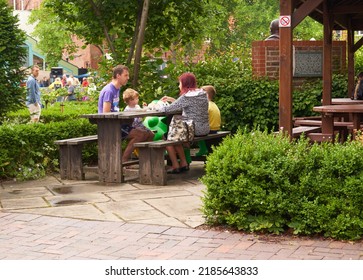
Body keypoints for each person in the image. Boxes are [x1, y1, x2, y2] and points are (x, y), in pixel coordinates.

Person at [98, 65, 153, 163]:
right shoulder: (109, 91)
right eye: (125, 75)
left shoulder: (117, 89)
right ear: (118, 76)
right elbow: (105, 114)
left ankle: (144, 161)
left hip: (118, 124)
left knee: (148, 134)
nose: (128, 78)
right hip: (110, 126)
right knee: (140, 135)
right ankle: (123, 161)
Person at [160, 72, 209, 174]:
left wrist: (156, 106)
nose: (179, 85)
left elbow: (168, 109)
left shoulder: (187, 97)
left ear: (185, 84)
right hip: (204, 128)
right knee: (177, 135)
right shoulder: (203, 94)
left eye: (180, 83)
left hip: (192, 129)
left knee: (168, 136)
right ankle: (183, 163)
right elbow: (182, 104)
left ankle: (175, 165)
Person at [122, 88, 154, 161]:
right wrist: (144, 109)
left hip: (140, 125)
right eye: (136, 99)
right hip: (132, 127)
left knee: (151, 134)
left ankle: (145, 156)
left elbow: (141, 114)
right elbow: (137, 113)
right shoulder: (128, 109)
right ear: (130, 100)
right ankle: (127, 158)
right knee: (142, 134)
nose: (137, 100)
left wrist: (144, 108)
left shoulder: (137, 106)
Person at [195, 85, 221, 156]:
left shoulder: (205, 105)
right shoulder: (213, 104)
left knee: (190, 131)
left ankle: (203, 149)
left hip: (209, 130)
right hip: (215, 128)